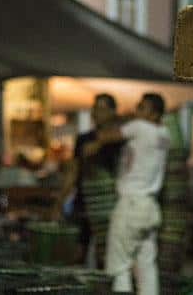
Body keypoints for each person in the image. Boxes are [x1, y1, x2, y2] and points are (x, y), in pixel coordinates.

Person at [89, 93, 169, 294]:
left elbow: (104, 136)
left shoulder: (139, 127)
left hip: (131, 205)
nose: (136, 111)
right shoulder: (164, 134)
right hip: (150, 207)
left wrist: (118, 119)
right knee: (147, 268)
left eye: (141, 108)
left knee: (119, 267)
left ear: (154, 114)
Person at [54, 93, 121, 267]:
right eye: (94, 109)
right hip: (83, 203)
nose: (96, 113)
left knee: (105, 256)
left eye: (101, 109)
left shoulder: (120, 140)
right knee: (77, 252)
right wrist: (59, 202)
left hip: (109, 207)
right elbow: (73, 171)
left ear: (113, 112)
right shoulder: (84, 139)